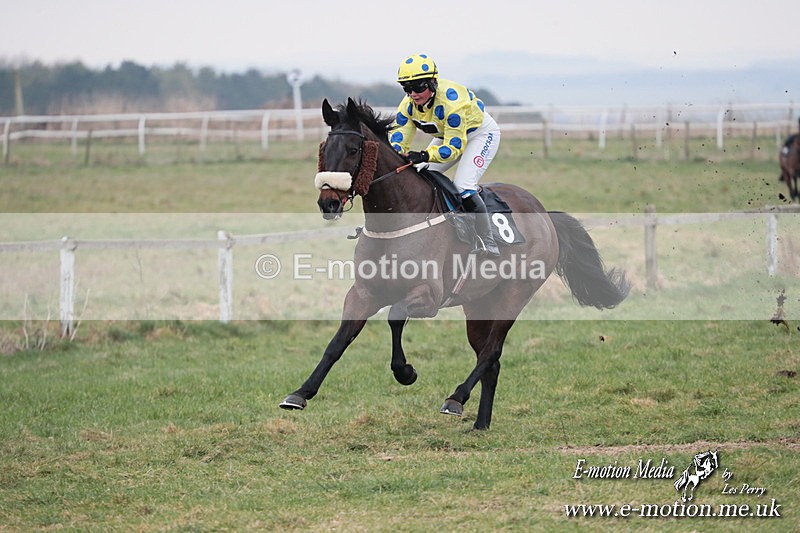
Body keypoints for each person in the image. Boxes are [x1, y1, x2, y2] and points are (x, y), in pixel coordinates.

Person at [388, 53, 501, 257]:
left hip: (479, 135)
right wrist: (394, 155)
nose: (413, 94)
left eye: (418, 86)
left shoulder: (452, 104)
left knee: (463, 185)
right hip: (447, 133)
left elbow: (453, 148)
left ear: (432, 83)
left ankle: (487, 241)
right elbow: (398, 138)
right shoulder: (407, 105)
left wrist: (423, 154)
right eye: (407, 88)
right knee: (419, 175)